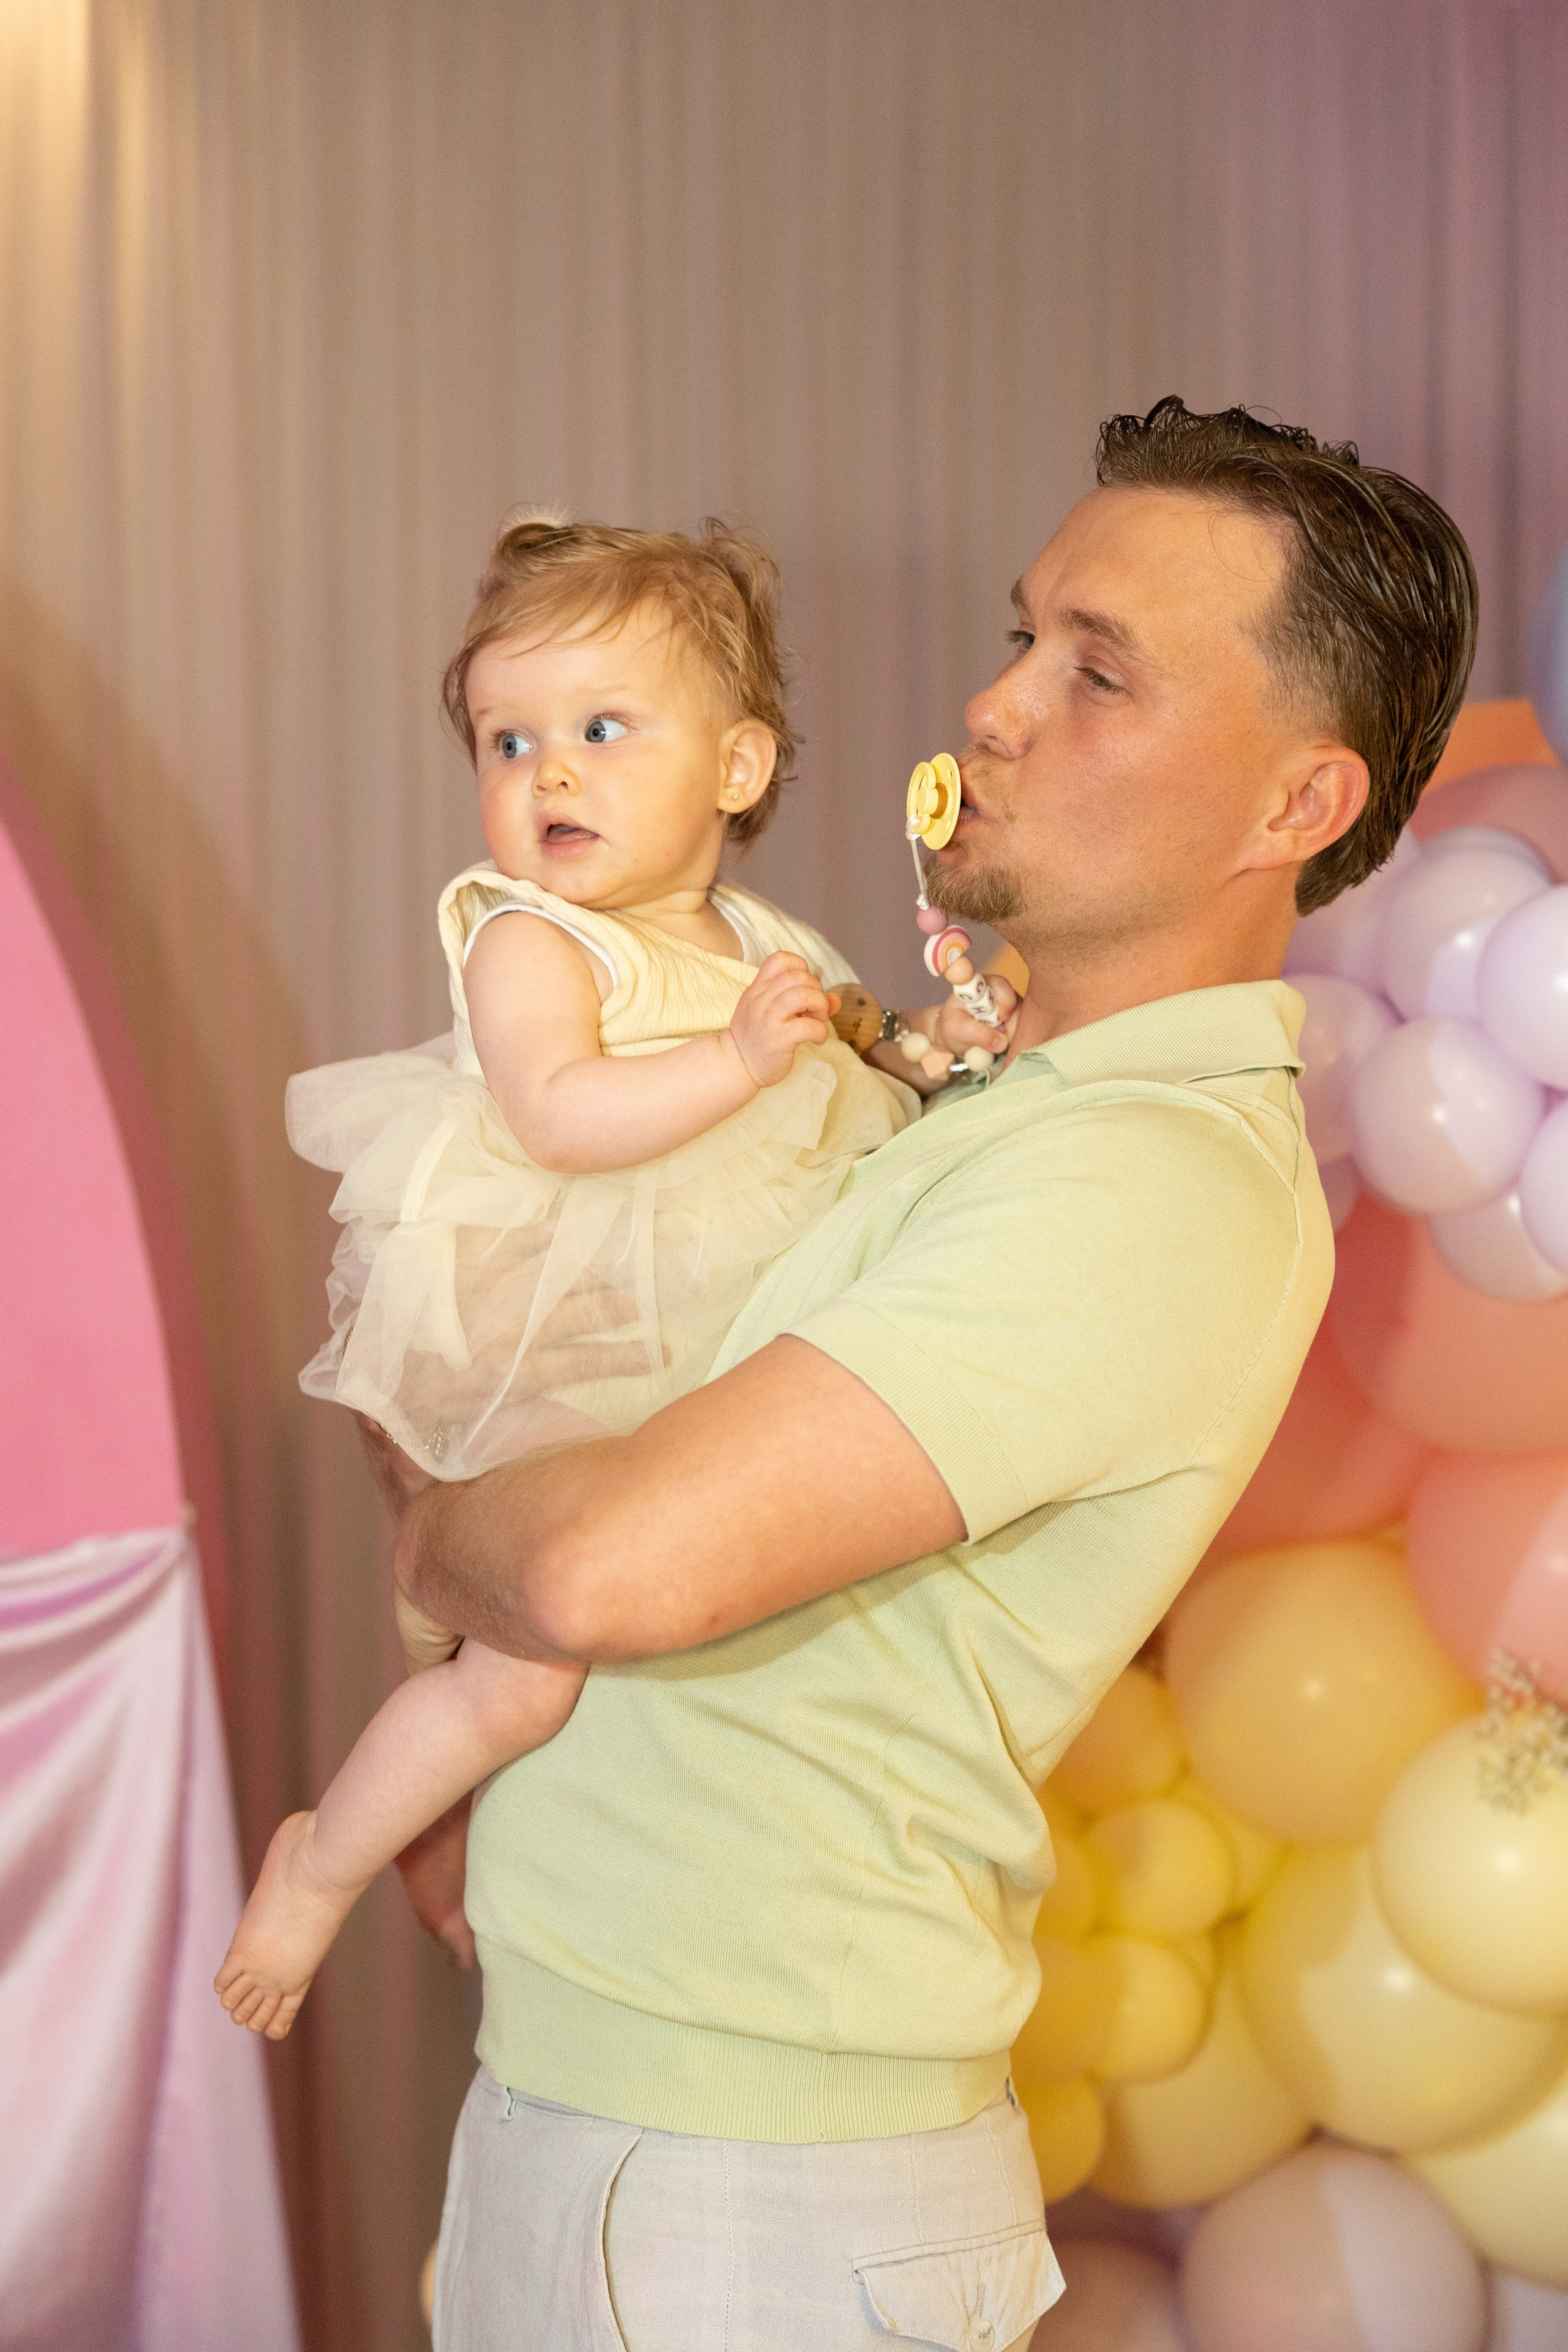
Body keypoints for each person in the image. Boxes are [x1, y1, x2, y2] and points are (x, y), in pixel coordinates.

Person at [390, 399, 1477, 2352]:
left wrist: (431, 1547)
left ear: (1294, 809)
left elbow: (603, 1569)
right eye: (1020, 635)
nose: (991, 707)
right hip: (634, 2116)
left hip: (742, 2192)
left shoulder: (1147, 1174)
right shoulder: (991, 1094)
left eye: (1099, 672)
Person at [216, 517, 1003, 2041]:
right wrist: (727, 1059)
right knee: (520, 1687)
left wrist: (932, 1053)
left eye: (597, 729)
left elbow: (855, 1078)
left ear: (737, 769)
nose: (547, 775)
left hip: (697, 1368)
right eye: (508, 742)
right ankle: (319, 1861)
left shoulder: (759, 939)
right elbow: (558, 1118)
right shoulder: (536, 945)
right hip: (554, 1371)